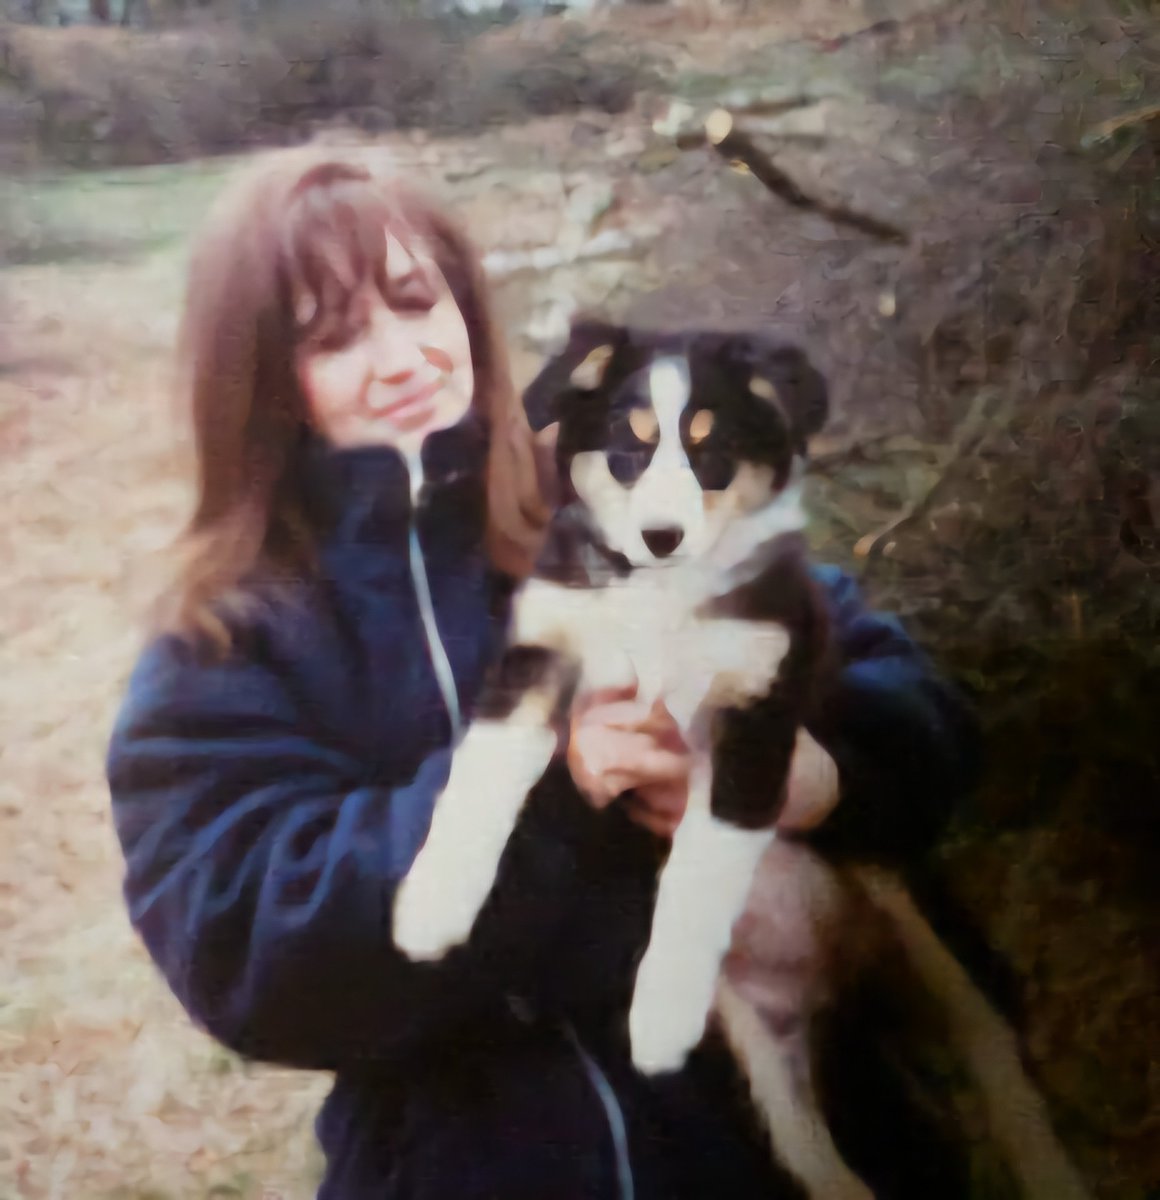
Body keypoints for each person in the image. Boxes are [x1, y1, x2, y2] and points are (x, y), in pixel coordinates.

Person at [105, 145, 982, 1200]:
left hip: (790, 1130)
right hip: (473, 1160)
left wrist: (827, 774)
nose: (402, 357)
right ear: (260, 384)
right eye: (334, 338)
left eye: (416, 301)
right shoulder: (223, 646)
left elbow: (913, 703)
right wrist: (548, 786)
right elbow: (251, 950)